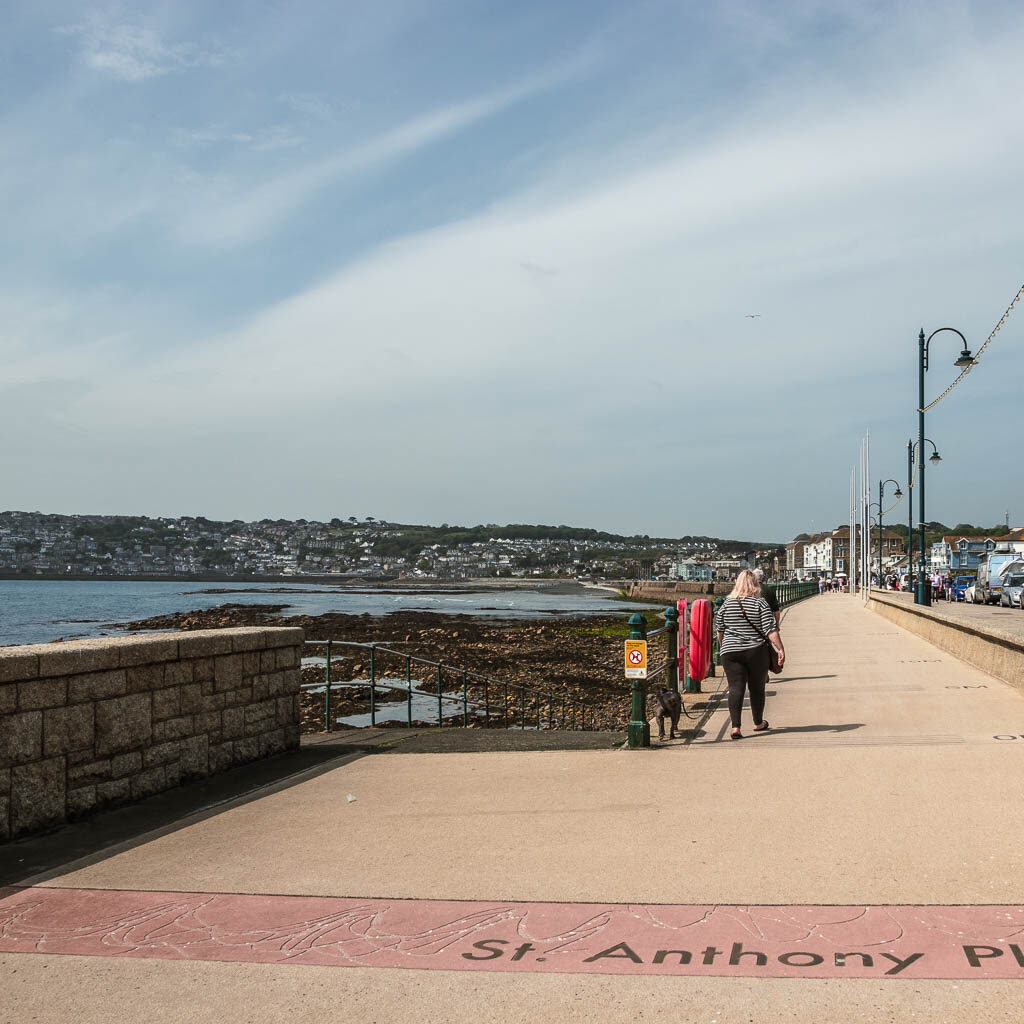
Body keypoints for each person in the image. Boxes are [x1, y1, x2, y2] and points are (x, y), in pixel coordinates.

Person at [714, 569, 785, 740]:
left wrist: (725, 648)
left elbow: (720, 631)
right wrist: (780, 649)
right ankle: (758, 722)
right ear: (755, 583)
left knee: (735, 688)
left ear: (737, 583)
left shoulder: (726, 604)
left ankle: (735, 727)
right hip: (756, 651)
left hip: (730, 652)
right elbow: (770, 630)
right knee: (756, 687)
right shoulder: (760, 603)